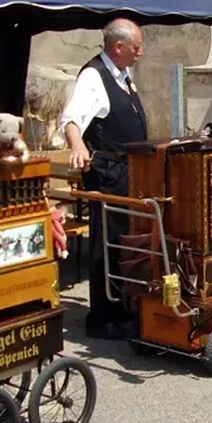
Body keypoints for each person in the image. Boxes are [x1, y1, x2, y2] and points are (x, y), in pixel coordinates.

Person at [60, 18, 146, 340]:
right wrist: (78, 144)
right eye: (136, 47)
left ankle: (124, 306)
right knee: (107, 243)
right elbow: (70, 118)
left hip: (131, 172)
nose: (141, 53)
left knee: (126, 243)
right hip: (109, 174)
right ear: (119, 47)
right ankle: (103, 318)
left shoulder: (123, 75)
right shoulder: (93, 77)